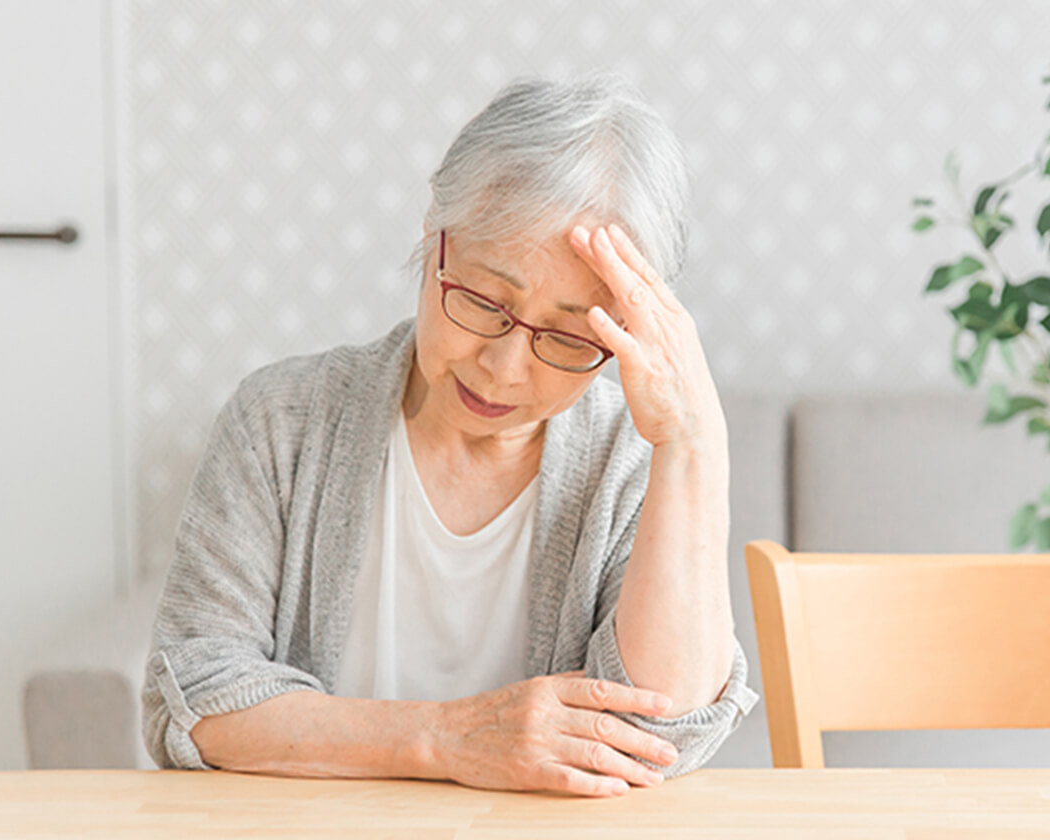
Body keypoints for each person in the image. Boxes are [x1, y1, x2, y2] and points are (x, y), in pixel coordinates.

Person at [141, 73, 759, 798]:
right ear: (435, 235)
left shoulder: (630, 463)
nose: (503, 366)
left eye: (565, 334)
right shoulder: (281, 421)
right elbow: (194, 696)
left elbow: (660, 739)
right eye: (483, 300)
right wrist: (448, 738)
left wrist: (693, 443)